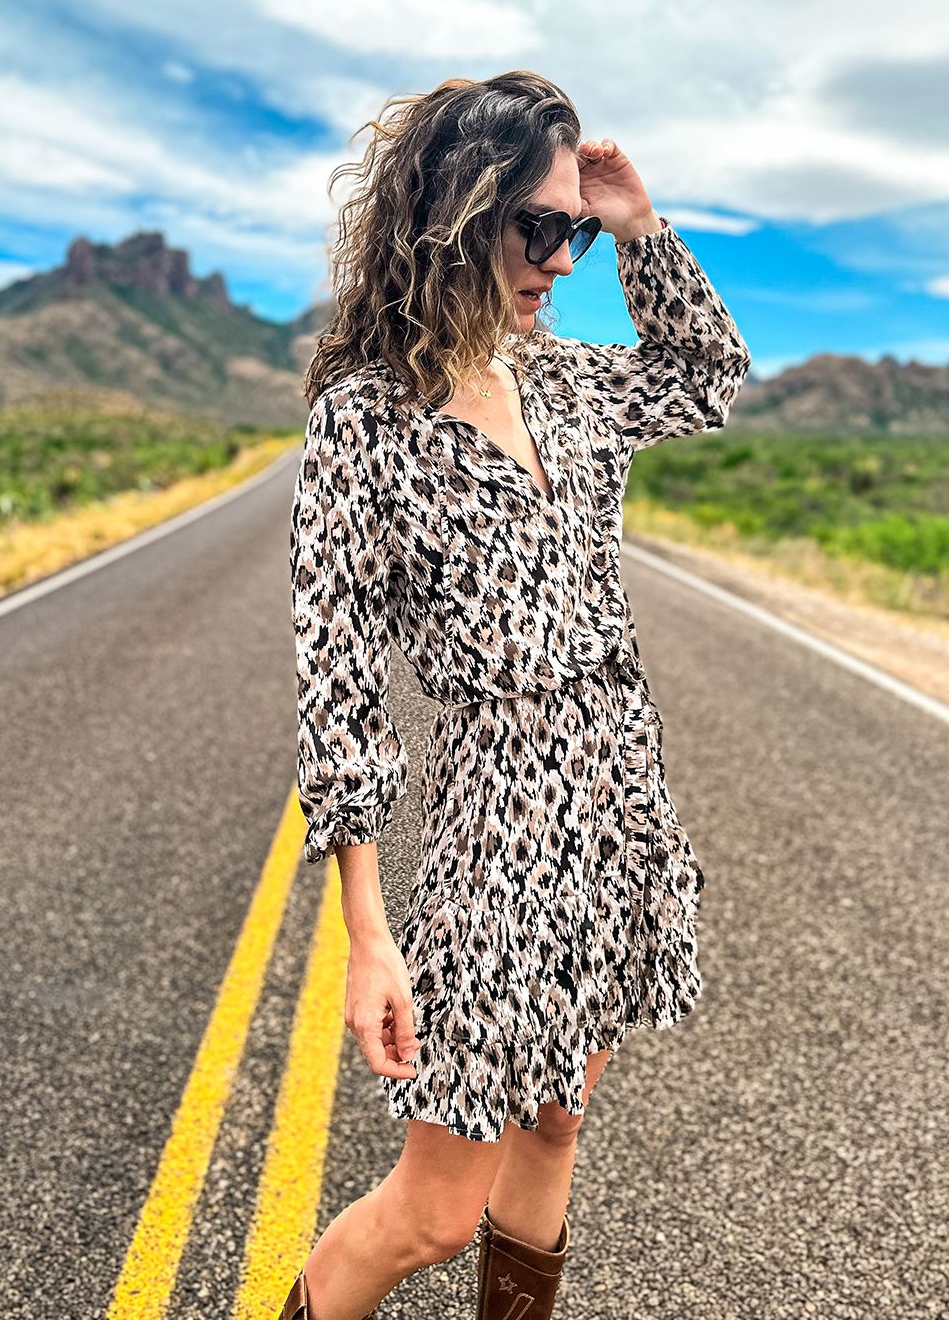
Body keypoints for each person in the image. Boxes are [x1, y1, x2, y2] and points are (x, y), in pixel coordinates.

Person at [281, 71, 753, 1320]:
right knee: (433, 1215)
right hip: (501, 818)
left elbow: (707, 374)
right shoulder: (365, 424)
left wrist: (638, 227)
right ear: (454, 214)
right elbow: (338, 688)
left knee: (555, 1120)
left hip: (617, 793)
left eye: (573, 233)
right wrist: (369, 935)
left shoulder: (567, 382)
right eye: (536, 226)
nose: (559, 258)